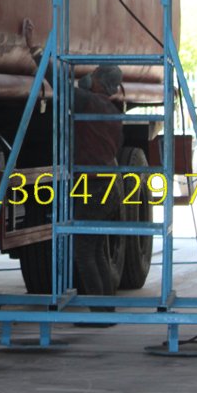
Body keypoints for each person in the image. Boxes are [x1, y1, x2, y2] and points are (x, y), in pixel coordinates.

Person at [72, 65, 125, 305]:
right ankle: (106, 308)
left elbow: (61, 88)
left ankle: (98, 311)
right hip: (109, 185)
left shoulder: (89, 103)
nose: (87, 78)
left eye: (92, 75)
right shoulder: (113, 110)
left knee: (84, 252)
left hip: (91, 186)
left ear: (100, 81)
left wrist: (38, 56)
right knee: (98, 250)